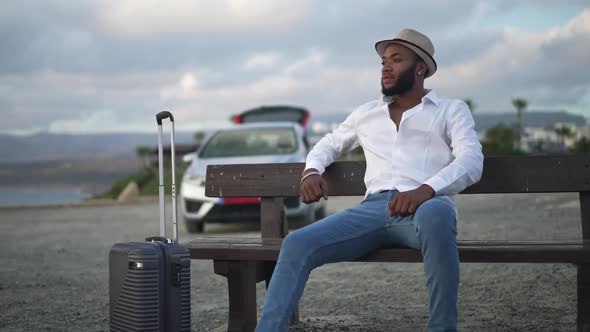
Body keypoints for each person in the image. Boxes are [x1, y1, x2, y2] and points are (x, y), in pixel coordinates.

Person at [255, 28, 484, 332]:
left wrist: (425, 191)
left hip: (427, 208)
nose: (386, 66)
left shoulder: (450, 110)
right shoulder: (367, 113)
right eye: (384, 61)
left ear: (420, 68)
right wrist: (312, 171)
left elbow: (471, 159)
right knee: (297, 242)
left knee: (438, 215)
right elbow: (329, 143)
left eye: (397, 59)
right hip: (373, 211)